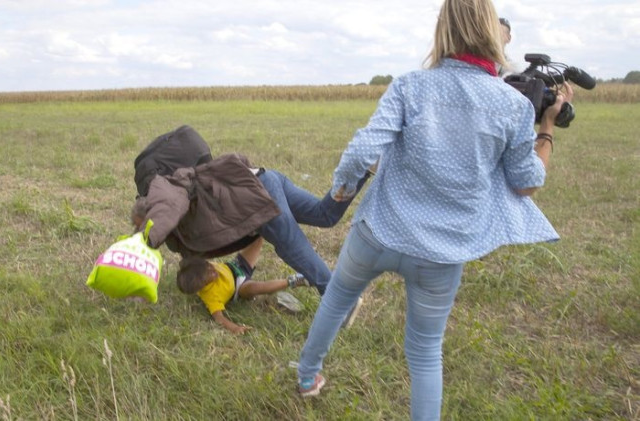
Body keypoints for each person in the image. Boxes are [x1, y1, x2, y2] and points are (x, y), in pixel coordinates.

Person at [296, 0, 573, 419]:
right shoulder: (515, 106)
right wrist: (547, 128)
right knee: (425, 351)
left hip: (377, 231)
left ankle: (306, 377)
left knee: (336, 299)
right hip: (441, 254)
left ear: (443, 30)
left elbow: (362, 150)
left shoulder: (410, 86)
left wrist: (341, 189)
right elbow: (527, 182)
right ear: (491, 32)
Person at [132, 153, 370, 297]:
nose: (140, 230)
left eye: (140, 224)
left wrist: (142, 240)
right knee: (324, 215)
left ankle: (338, 298)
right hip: (263, 179)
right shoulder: (181, 237)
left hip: (255, 196)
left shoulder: (166, 197)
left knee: (290, 244)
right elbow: (191, 263)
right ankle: (362, 169)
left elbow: (165, 211)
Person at [176, 236, 309, 334]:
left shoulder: (197, 267)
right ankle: (293, 281)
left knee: (258, 238)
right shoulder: (211, 296)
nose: (213, 271)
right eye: (209, 276)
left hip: (236, 266)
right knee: (255, 288)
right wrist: (235, 328)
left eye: (209, 266)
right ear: (202, 286)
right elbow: (219, 319)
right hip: (240, 287)